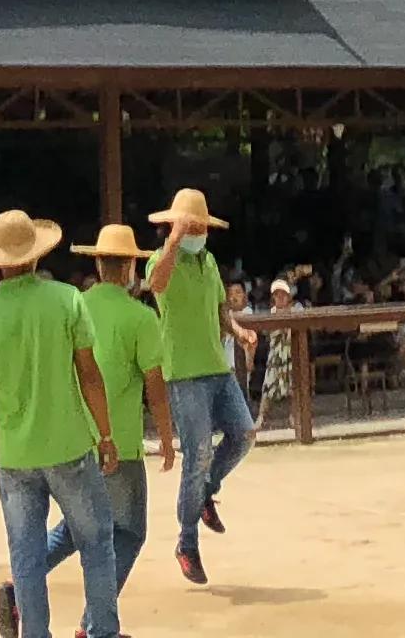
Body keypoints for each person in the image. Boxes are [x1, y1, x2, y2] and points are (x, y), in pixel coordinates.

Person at [0, 210, 115, 638]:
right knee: (97, 544)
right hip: (68, 444)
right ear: (35, 255)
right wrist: (105, 436)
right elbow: (90, 374)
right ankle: (102, 630)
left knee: (25, 557)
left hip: (14, 455)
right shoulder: (68, 300)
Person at [47, 225, 170, 637]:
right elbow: (155, 384)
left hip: (73, 436)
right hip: (121, 440)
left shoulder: (72, 307)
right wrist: (168, 437)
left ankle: (21, 579)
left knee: (78, 526)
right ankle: (95, 623)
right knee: (129, 531)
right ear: (132, 265)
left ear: (98, 264)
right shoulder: (141, 316)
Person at [140, 188, 253, 588]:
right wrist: (173, 241)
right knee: (198, 454)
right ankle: (186, 542)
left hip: (216, 367)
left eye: (200, 226)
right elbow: (155, 284)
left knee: (243, 434)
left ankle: (205, 492)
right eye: (191, 225)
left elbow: (220, 309)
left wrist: (238, 332)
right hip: (184, 372)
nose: (197, 231)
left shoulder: (209, 261)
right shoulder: (161, 258)